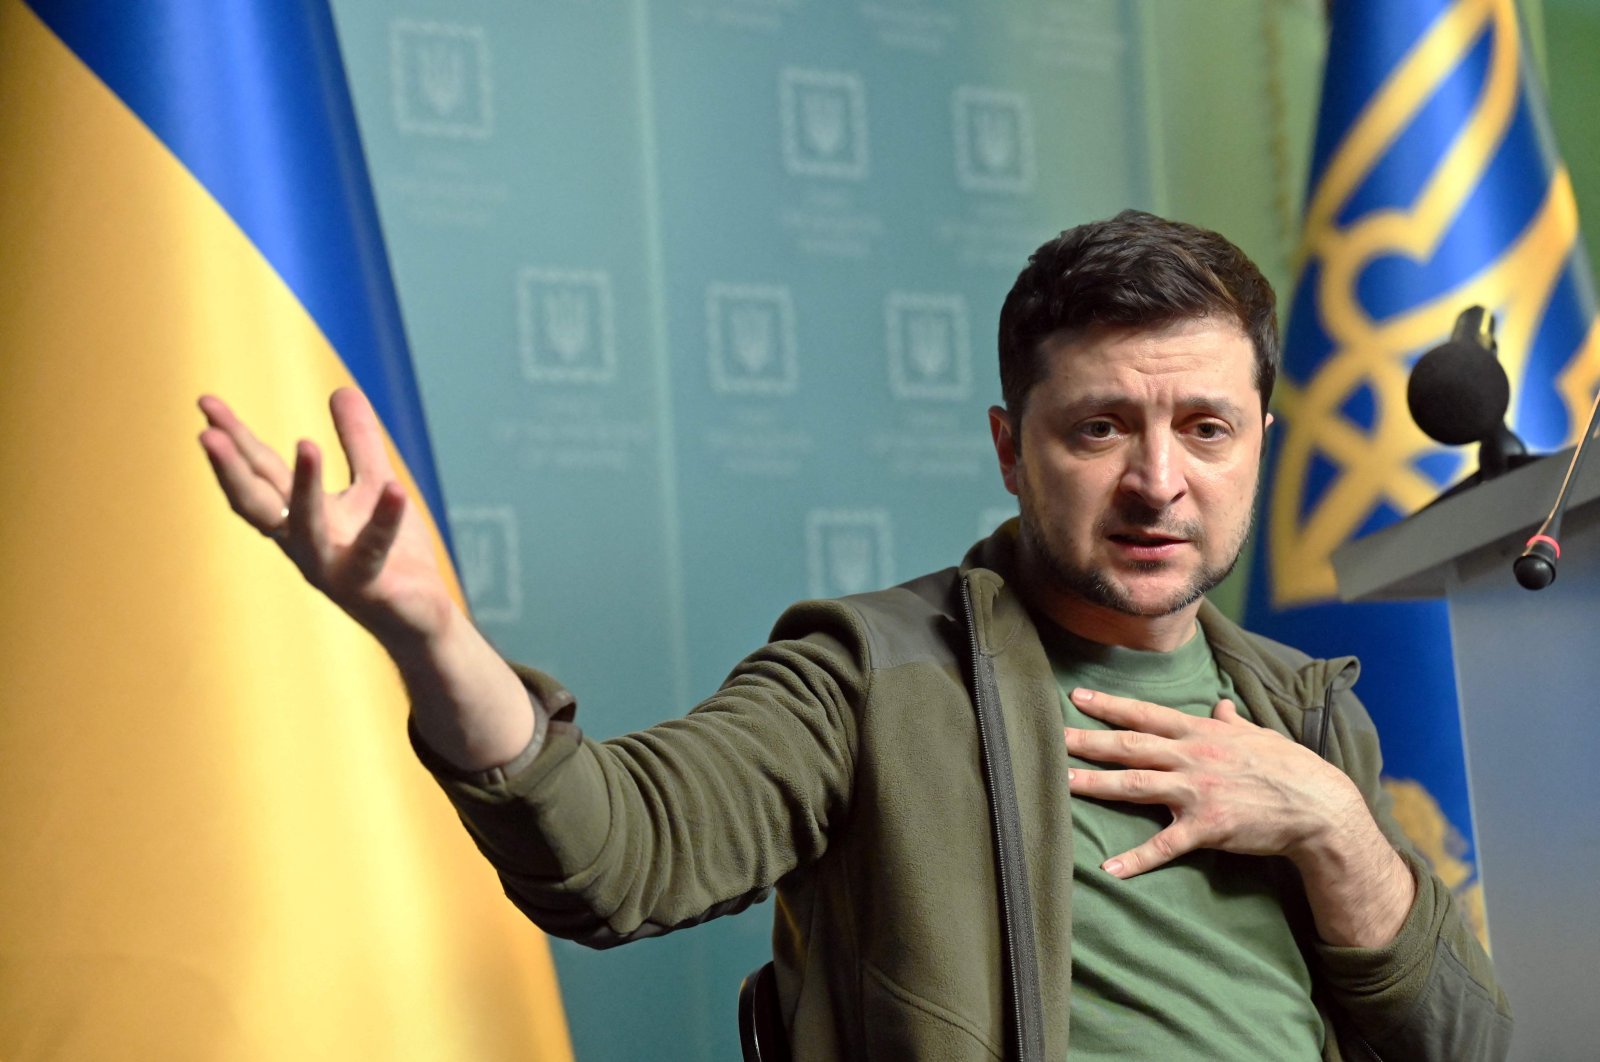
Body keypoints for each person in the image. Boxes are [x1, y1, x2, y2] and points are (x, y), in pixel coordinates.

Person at [198, 210, 1510, 1060]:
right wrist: (433, 639)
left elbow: (1469, 1045)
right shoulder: (872, 674)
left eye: (1205, 429)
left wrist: (1336, 823)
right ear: (1011, 447)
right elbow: (615, 853)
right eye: (1100, 426)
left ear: (1260, 444)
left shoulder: (1302, 709)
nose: (1159, 480)